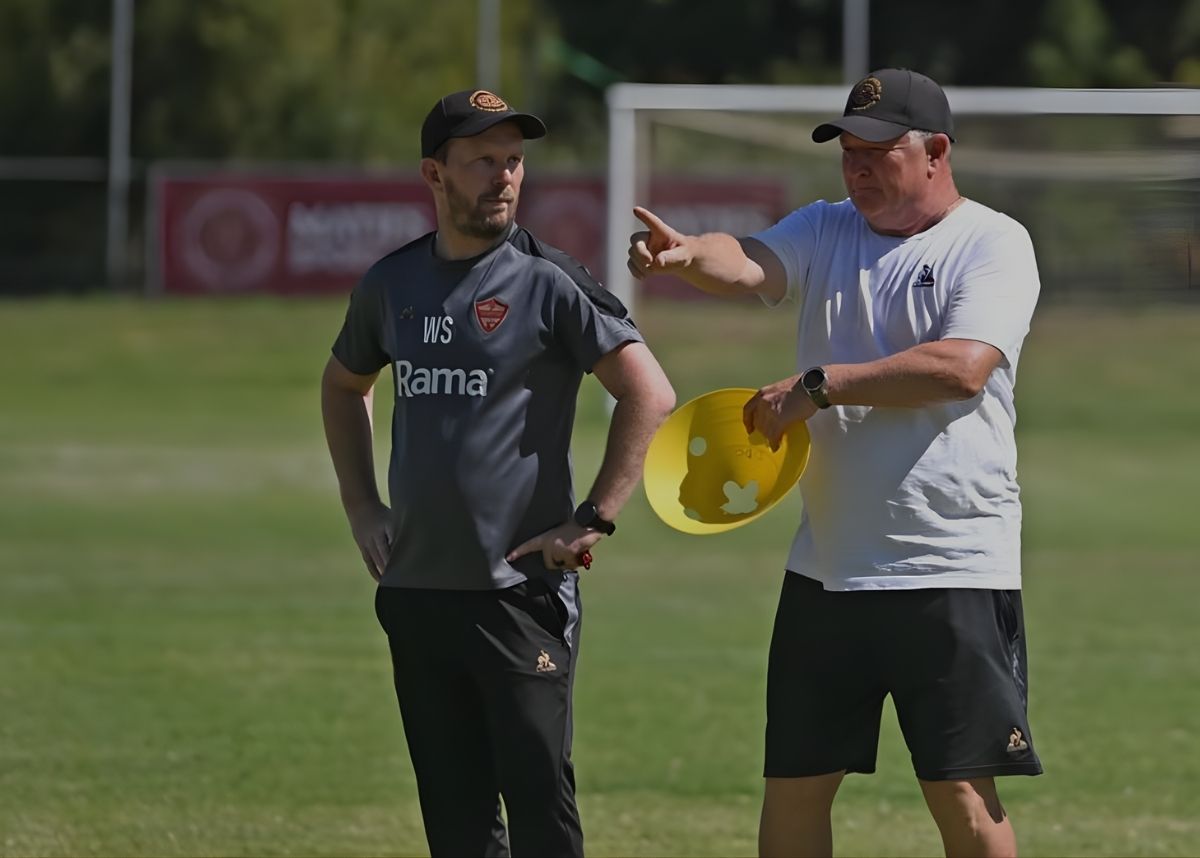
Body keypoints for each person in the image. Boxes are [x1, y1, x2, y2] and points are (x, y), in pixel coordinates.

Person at [628, 68, 1042, 857]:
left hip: (947, 565)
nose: (857, 166)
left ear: (936, 152)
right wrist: (688, 254)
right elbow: (747, 260)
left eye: (878, 151)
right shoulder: (826, 227)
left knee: (961, 790)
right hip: (827, 569)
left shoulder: (993, 241)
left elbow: (961, 368)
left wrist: (819, 387)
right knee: (794, 788)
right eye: (847, 150)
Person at [322, 88, 676, 858]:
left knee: (542, 809)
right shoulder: (391, 284)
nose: (505, 175)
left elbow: (649, 393)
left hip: (520, 594)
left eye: (513, 160)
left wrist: (594, 517)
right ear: (434, 173)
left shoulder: (551, 280)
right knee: (456, 823)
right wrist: (361, 505)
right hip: (416, 592)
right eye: (483, 159)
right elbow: (346, 384)